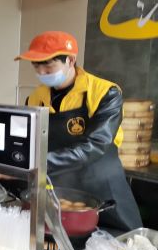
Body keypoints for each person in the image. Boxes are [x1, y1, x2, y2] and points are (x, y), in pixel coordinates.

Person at [15, 31, 142, 232]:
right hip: (59, 187)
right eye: (36, 66)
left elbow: (96, 145)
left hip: (103, 185)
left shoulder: (105, 93)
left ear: (70, 60)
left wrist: (37, 164)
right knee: (60, 241)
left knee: (120, 241)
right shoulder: (35, 98)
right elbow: (26, 141)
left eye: (48, 65)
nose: (42, 72)